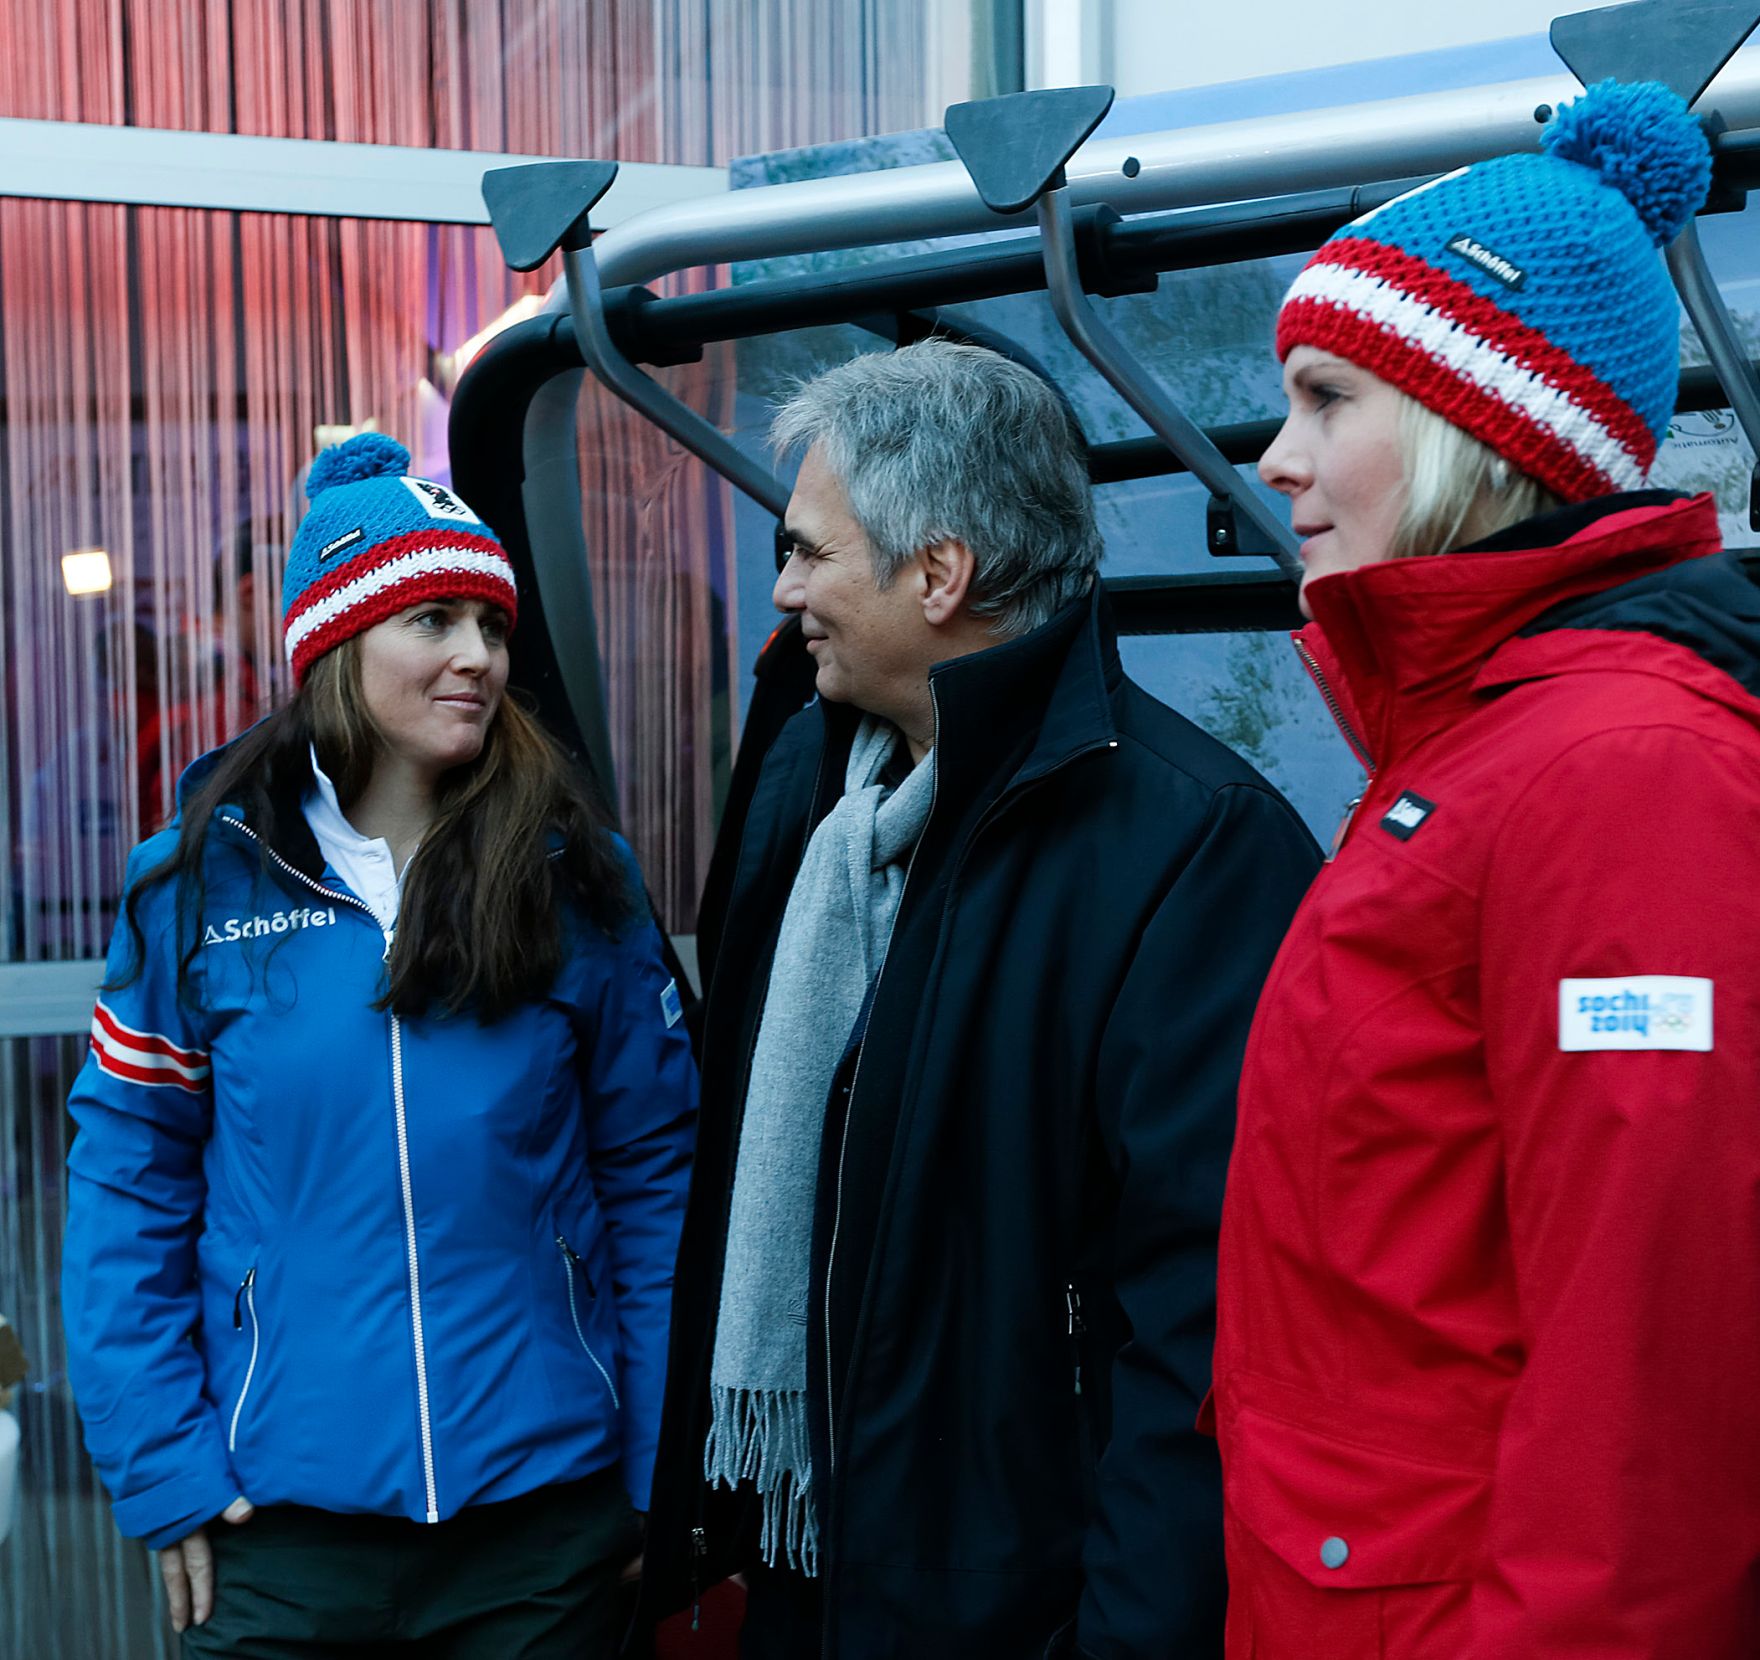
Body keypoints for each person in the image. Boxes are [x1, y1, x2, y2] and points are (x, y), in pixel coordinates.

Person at [635, 338, 1321, 1658]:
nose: (782, 594)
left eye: (810, 554)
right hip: (805, 1575)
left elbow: (1198, 1335)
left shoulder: (1195, 849)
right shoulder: (804, 788)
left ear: (938, 574)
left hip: (1014, 1616)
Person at [1216, 79, 1760, 1656]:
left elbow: (1650, 1395)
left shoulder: (1621, 779)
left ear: (1474, 433)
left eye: (1326, 400)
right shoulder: (1470, 752)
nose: (1274, 457)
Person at [61, 434, 697, 1656]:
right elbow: (124, 1188)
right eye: (435, 620)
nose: (479, 656)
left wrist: (653, 1477)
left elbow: (655, 1184)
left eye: (490, 625)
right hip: (280, 1537)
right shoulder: (195, 883)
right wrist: (163, 1466)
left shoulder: (576, 877)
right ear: (337, 645)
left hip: (539, 1537)